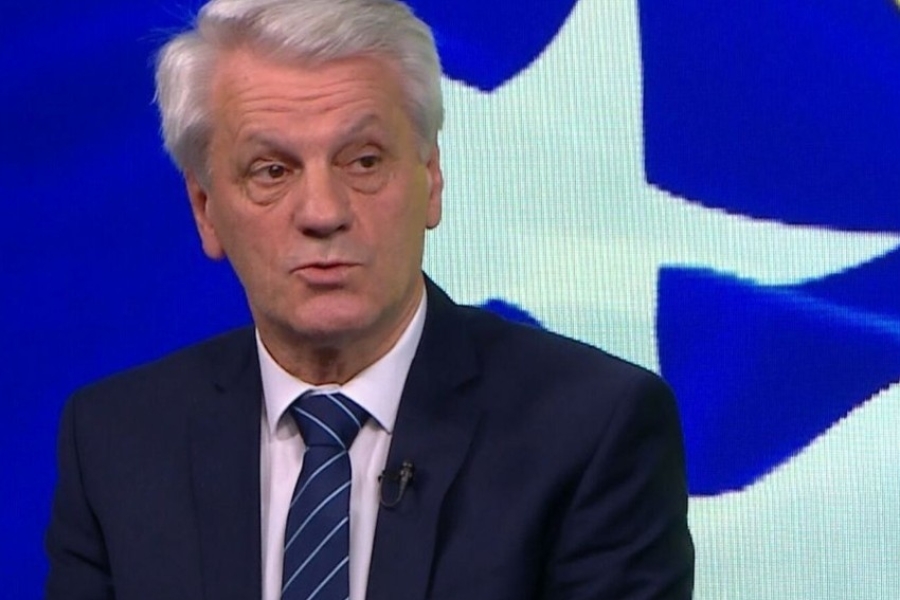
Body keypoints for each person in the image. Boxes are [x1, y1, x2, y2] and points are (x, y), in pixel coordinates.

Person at [44, 0, 694, 598]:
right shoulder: (116, 444)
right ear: (205, 209)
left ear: (431, 179)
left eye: (363, 161)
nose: (323, 212)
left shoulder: (592, 432)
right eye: (272, 171)